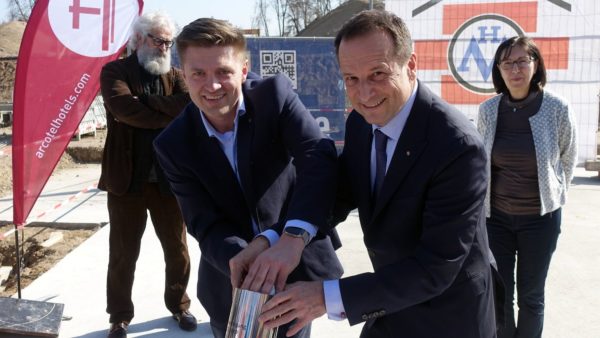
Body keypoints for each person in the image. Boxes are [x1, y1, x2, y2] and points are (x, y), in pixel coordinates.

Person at [254, 10, 500, 338]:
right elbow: (339, 194)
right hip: (388, 302)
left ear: (410, 65)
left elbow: (435, 267)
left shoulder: (457, 146)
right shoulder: (361, 121)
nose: (364, 94)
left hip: (448, 316)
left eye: (378, 74)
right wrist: (279, 238)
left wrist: (326, 297)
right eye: (351, 79)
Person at [153, 18, 343, 338]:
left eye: (223, 72)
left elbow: (319, 160)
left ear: (243, 70)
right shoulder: (173, 145)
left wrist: (290, 237)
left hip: (294, 269)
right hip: (230, 280)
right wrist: (246, 263)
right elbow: (204, 223)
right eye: (198, 73)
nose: (212, 86)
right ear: (183, 75)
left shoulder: (275, 97)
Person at [99, 11, 197, 338]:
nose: (165, 47)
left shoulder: (177, 76)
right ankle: (120, 316)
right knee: (123, 254)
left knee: (178, 250)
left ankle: (179, 305)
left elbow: (189, 104)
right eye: (159, 40)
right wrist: (163, 112)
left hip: (170, 181)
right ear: (140, 39)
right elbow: (123, 109)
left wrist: (147, 103)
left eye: (169, 42)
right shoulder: (115, 71)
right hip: (127, 182)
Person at [477, 36, 577, 338]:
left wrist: (556, 194)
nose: (515, 69)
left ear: (536, 64)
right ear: (498, 69)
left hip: (540, 220)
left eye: (522, 60)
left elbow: (567, 157)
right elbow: (483, 158)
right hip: (496, 221)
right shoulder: (489, 109)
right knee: (501, 294)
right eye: (507, 63)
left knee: (532, 297)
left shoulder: (557, 108)